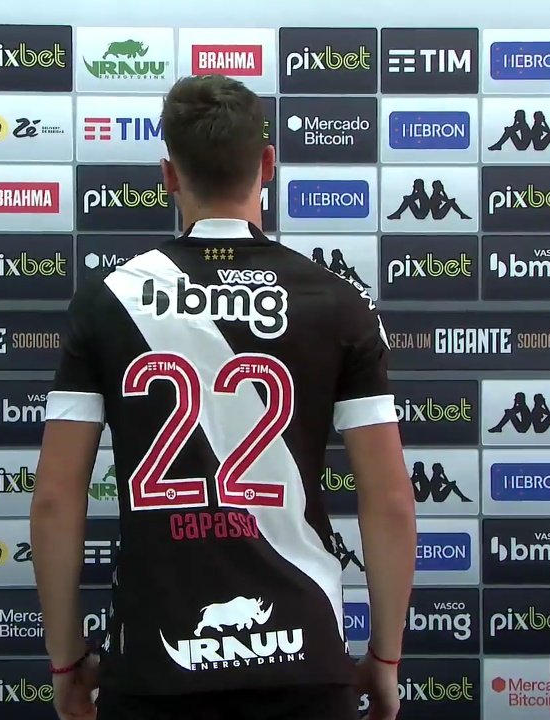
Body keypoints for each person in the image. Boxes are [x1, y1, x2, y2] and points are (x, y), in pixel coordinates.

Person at [29, 74, 417, 720]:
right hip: (304, 662)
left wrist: (67, 661)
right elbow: (391, 503)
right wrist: (386, 656)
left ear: (168, 175)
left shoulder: (106, 302)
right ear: (267, 165)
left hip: (154, 667)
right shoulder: (338, 302)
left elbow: (54, 501)